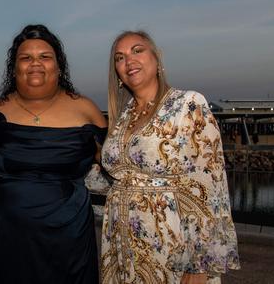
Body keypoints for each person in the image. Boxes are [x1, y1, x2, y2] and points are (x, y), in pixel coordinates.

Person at [100, 30, 240, 284]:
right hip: (120, 245)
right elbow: (119, 177)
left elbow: (208, 189)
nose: (128, 60)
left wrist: (199, 267)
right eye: (119, 57)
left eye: (137, 50)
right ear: (117, 73)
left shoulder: (187, 104)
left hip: (169, 244)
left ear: (156, 59)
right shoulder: (123, 117)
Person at [0, 24, 105, 284]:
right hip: (8, 236)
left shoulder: (85, 109)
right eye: (26, 57)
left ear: (58, 66)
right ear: (14, 68)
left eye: (45, 57)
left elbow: (118, 160)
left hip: (70, 238)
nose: (35, 63)